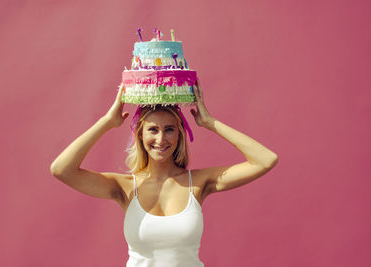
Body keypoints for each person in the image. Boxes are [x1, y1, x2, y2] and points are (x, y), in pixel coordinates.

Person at [50, 80, 278, 266]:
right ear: (140, 135)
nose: (161, 139)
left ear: (179, 134)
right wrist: (107, 122)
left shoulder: (199, 182)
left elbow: (265, 160)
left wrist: (210, 122)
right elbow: (61, 169)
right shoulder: (125, 187)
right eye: (153, 130)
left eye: (169, 129)